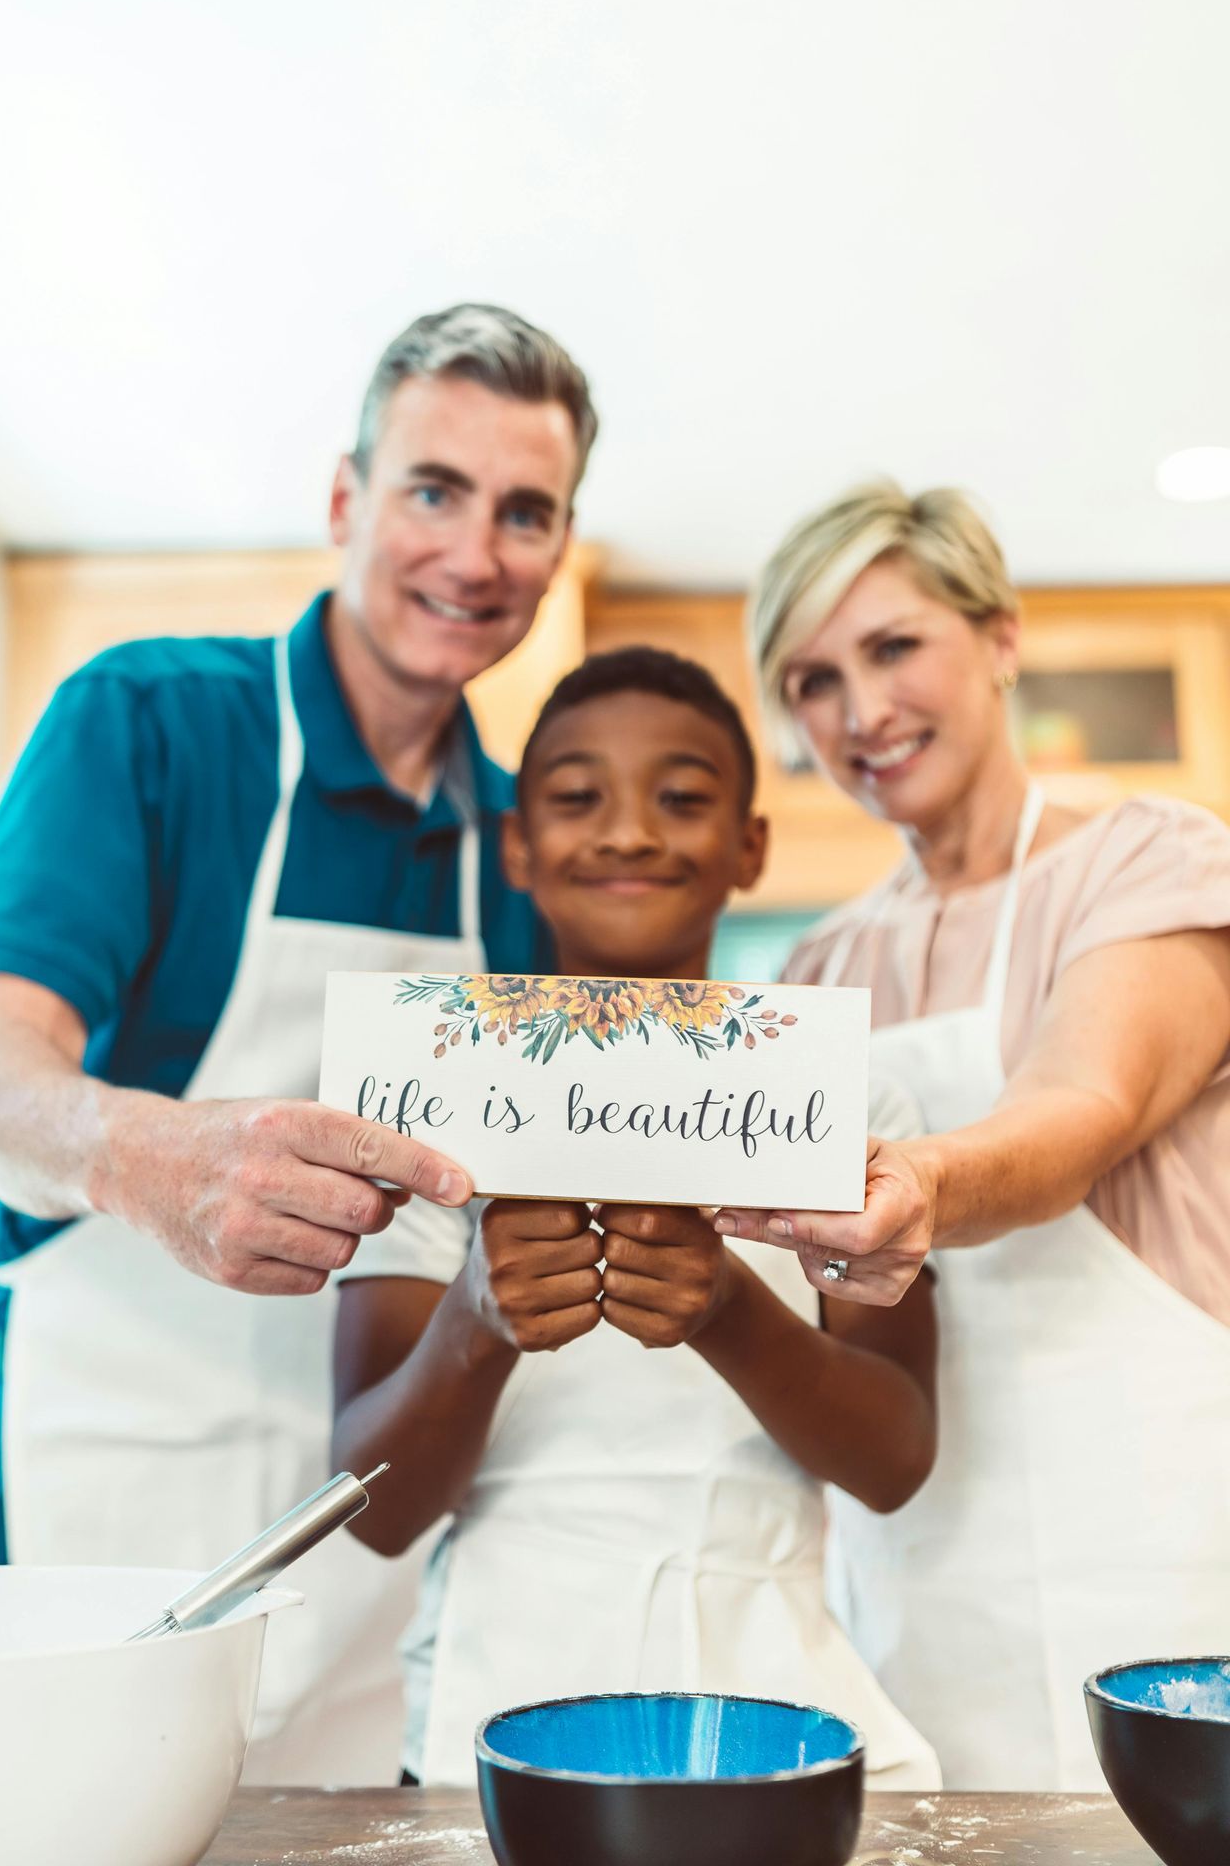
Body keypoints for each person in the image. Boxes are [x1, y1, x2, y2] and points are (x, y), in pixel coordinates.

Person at [0, 303, 596, 1781]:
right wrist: (145, 1154)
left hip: (359, 1559)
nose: (475, 552)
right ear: (344, 500)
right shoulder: (150, 726)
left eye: (525, 512)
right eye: (433, 490)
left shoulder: (517, 855)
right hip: (84, 1490)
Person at [330, 645, 942, 1791]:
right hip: (488, 1704)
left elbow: (895, 1454)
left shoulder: (838, 1097)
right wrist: (474, 1320)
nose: (626, 832)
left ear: (750, 844)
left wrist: (727, 1313)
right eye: (572, 798)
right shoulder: (434, 1088)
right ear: (516, 843)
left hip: (775, 1693)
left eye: (682, 798)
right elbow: (371, 1503)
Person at [715, 480, 1230, 1789]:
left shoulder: (1149, 859)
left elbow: (1082, 1108)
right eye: (814, 680)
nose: (862, 711)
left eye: (894, 647)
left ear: (999, 638)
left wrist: (922, 1183)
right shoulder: (821, 970)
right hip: (919, 1565)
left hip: (1166, 1531)